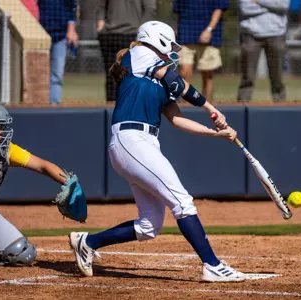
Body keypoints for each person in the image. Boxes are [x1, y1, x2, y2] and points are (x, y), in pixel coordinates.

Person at [69, 21, 246, 282]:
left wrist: (215, 132)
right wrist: (210, 107)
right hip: (132, 140)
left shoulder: (158, 79)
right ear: (157, 40)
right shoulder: (140, 54)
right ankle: (213, 265)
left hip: (142, 144)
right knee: (182, 201)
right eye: (169, 47)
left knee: (150, 224)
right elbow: (177, 81)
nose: (170, 53)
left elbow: (176, 119)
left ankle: (87, 242)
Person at [0, 99, 84, 266]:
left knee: (22, 253)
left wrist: (69, 183)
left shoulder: (5, 149)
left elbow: (42, 165)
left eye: (1, 126)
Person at [96, 0, 157, 102]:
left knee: (130, 76)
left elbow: (150, 9)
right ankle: (114, 107)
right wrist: (100, 25)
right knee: (113, 76)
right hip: (112, 35)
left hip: (131, 35)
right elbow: (151, 9)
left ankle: (125, 107)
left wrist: (141, 31)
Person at [173, 0, 230, 103]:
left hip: (210, 37)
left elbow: (219, 8)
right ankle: (185, 105)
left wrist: (209, 30)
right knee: (184, 71)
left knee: (208, 75)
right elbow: (178, 10)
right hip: (186, 34)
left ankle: (207, 107)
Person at [237, 0, 289, 102]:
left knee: (277, 76)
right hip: (250, 34)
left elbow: (283, 5)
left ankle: (280, 103)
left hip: (277, 33)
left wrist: (258, 1)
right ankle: (243, 103)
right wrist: (272, 5)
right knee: (247, 76)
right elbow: (245, 8)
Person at [38, 0, 79, 104]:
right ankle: (39, 104)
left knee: (56, 75)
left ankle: (54, 103)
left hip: (60, 36)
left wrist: (71, 31)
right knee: (40, 74)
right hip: (40, 34)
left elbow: (72, 9)